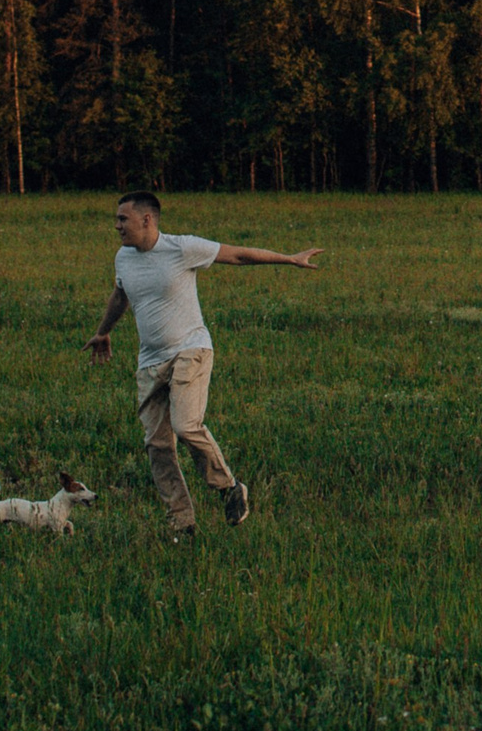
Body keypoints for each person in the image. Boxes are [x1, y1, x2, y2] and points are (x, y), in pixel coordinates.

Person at [84, 191, 320, 538]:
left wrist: (289, 259)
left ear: (147, 219)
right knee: (158, 446)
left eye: (123, 219)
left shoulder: (182, 248)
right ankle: (183, 523)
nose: (116, 225)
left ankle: (229, 487)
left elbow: (238, 255)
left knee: (185, 425)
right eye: (117, 219)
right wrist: (103, 332)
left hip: (190, 349)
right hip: (150, 362)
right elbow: (121, 295)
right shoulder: (123, 258)